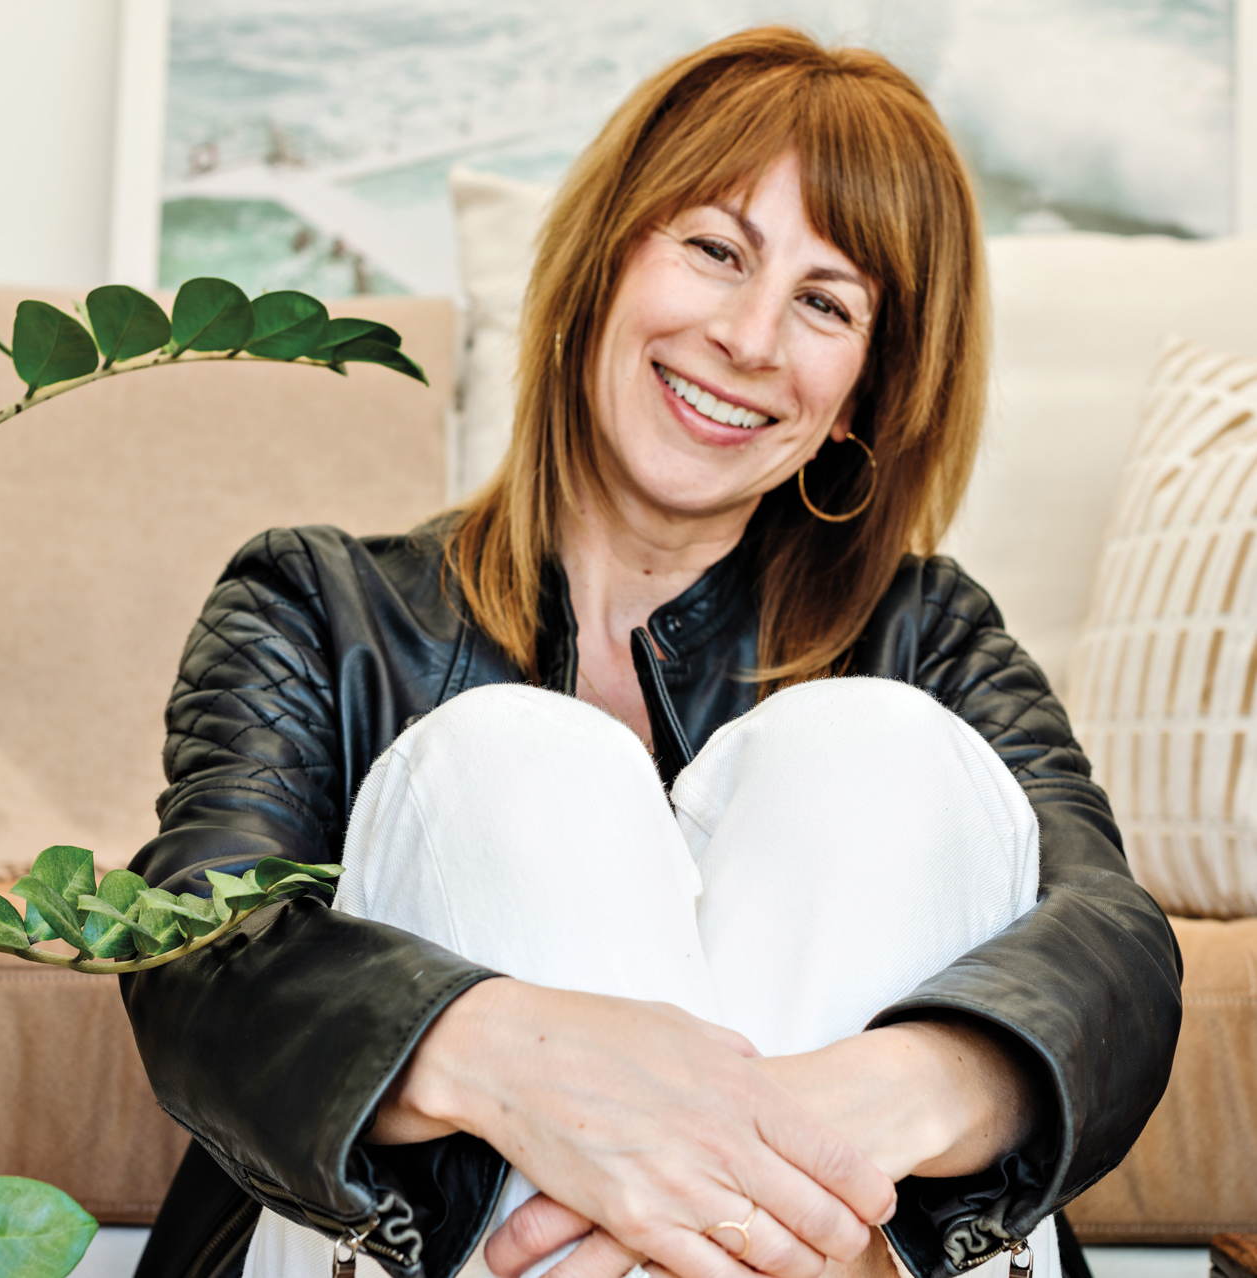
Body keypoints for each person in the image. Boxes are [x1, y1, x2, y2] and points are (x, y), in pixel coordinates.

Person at [123, 26, 1182, 1278]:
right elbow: (191, 947)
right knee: (514, 761)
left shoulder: (927, 633)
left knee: (875, 749)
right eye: (716, 249)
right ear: (606, 260)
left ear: (867, 394)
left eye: (825, 303)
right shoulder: (316, 601)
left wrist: (883, 1097)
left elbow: (1111, 944)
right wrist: (507, 1055)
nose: (747, 336)